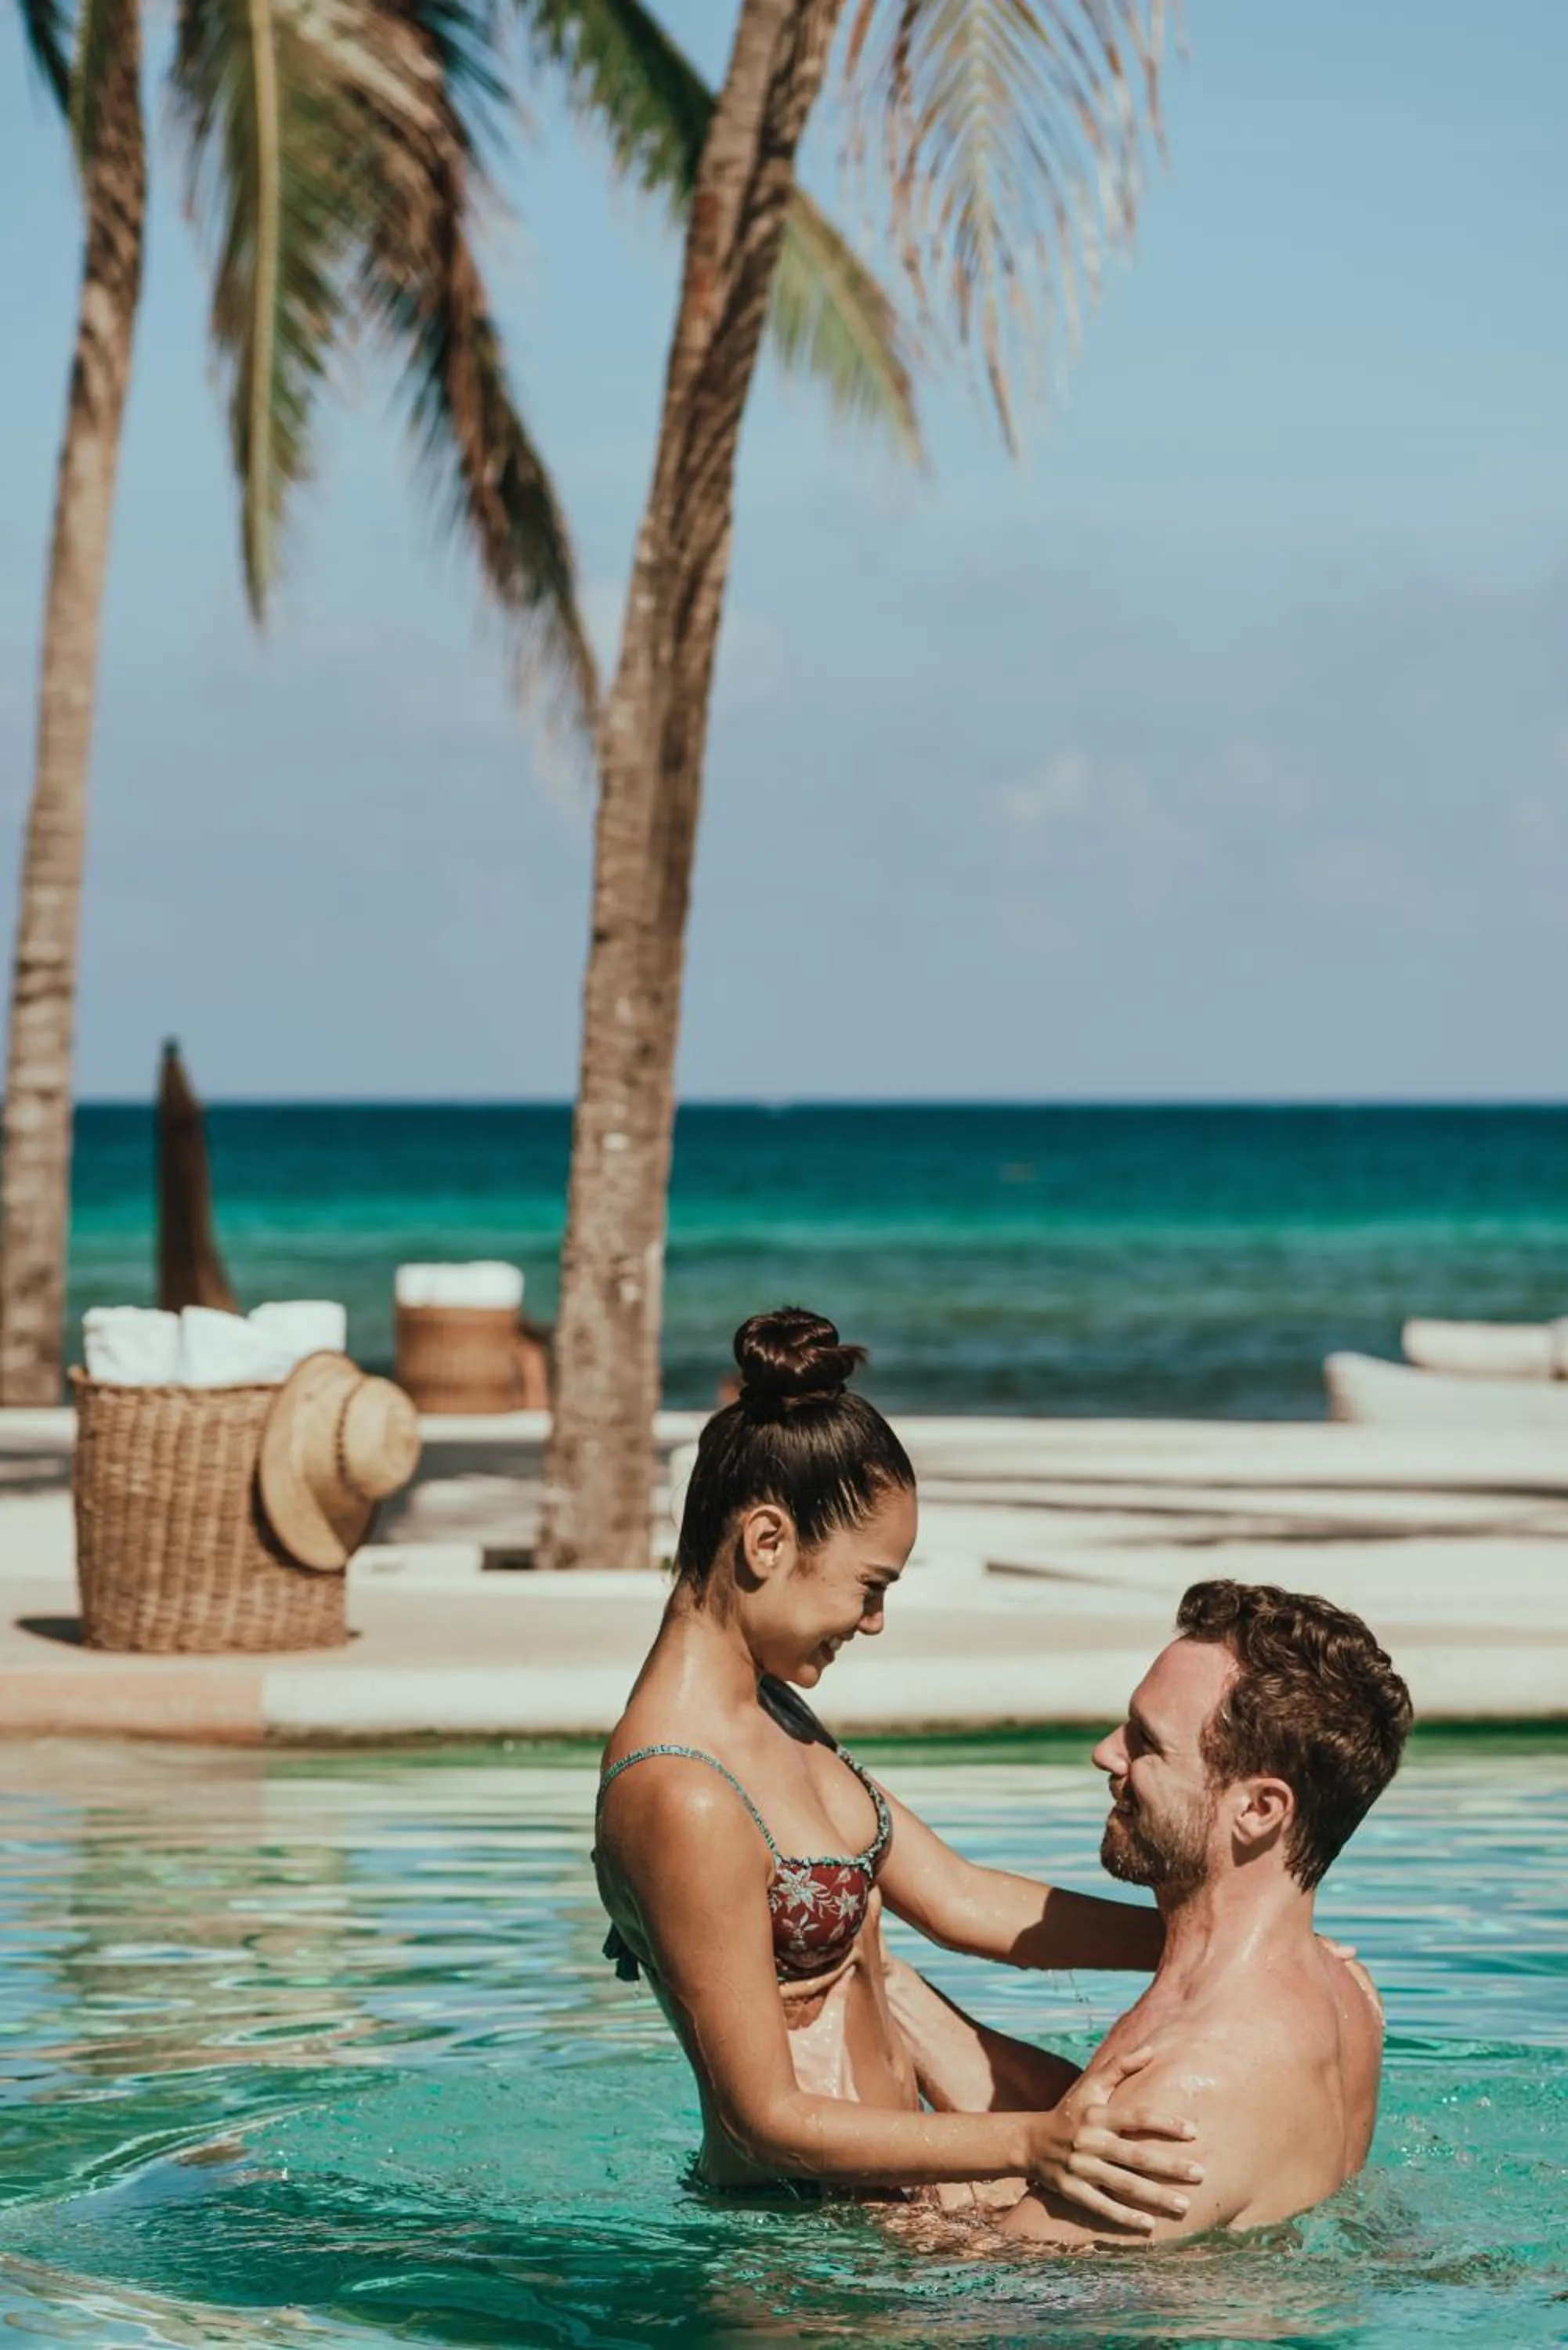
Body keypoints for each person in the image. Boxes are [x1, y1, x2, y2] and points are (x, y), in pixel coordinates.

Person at [594, 1307, 1204, 2225]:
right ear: (767, 1544)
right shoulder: (679, 1792)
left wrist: (1210, 1943)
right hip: (796, 2254)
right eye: (870, 1586)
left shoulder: (775, 1714)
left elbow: (961, 1900)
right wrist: (1028, 2142)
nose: (873, 1622)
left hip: (884, 2220)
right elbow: (763, 2118)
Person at [892, 1577, 1412, 2243]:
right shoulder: (1345, 1992)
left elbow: (980, 2303)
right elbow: (1077, 2118)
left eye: (1146, 1742)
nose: (1106, 1753)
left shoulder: (1193, 2090)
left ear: (1258, 1810)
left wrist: (860, 2204)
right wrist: (884, 1985)